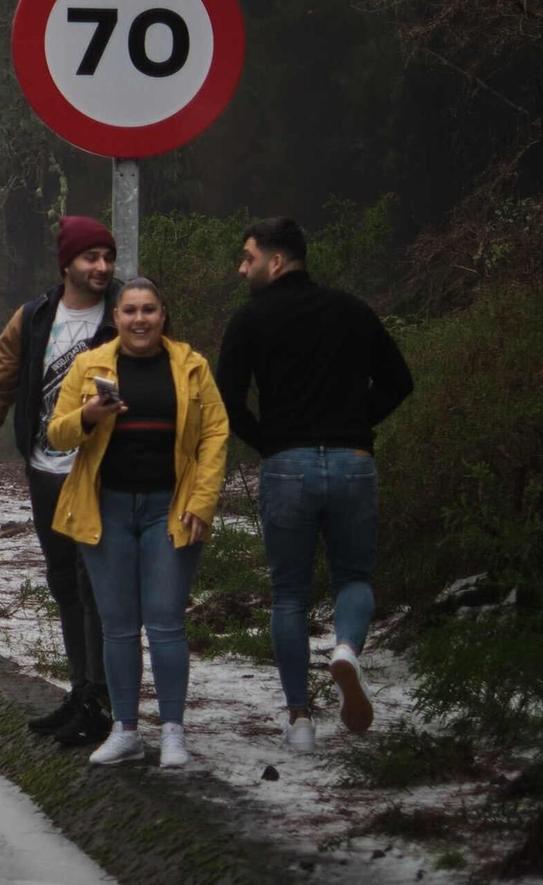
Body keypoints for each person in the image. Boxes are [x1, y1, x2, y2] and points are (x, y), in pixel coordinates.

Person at [215, 217, 413, 753]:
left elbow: (226, 399)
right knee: (354, 576)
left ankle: (300, 718)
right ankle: (347, 648)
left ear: (275, 262)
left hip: (288, 466)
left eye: (248, 257)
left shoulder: (251, 319)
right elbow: (401, 381)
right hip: (352, 460)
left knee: (289, 594)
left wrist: (269, 441)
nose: (242, 267)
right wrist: (357, 424)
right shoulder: (352, 310)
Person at [0, 215, 119, 745]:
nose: (101, 267)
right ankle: (80, 693)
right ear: (67, 264)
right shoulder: (34, 319)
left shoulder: (127, 311)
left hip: (103, 473)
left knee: (96, 585)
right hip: (47, 471)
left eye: (107, 257)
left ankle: (103, 700)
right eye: (90, 258)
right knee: (64, 583)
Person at [45, 276, 230, 769]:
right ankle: (126, 729)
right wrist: (90, 413)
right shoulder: (90, 365)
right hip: (106, 509)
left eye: (149, 310)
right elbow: (57, 435)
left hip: (170, 508)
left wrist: (203, 500)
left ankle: (173, 731)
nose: (140, 319)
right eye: (130, 311)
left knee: (167, 622)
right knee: (119, 626)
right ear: (117, 319)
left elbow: (215, 434)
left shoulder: (191, 367)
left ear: (163, 315)